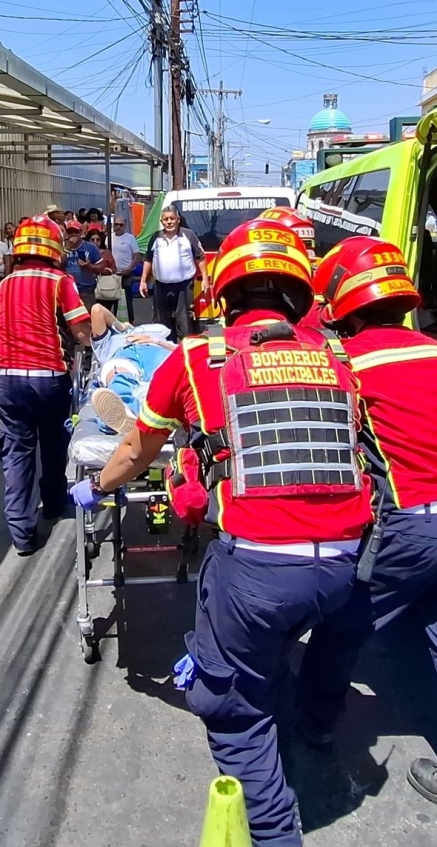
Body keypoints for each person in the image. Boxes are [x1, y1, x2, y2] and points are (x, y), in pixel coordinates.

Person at [71, 218, 374, 846]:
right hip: (344, 566)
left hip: (259, 571)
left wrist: (98, 487)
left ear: (221, 291)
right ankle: (301, 726)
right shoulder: (340, 356)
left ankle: (272, 831)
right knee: (279, 655)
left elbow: (133, 448)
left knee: (230, 707)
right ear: (298, 290)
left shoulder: (198, 357)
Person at [295, 236, 437, 836]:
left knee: (341, 626)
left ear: (341, 303)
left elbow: (334, 448)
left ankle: (312, 727)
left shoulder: (346, 364)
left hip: (409, 526)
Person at [0, 216, 91, 555]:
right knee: (54, 444)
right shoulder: (59, 281)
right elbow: (81, 331)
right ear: (54, 248)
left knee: (16, 451)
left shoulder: (4, 283)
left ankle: (22, 534)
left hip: (8, 379)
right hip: (50, 378)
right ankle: (53, 504)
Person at [88, 304, 175, 434]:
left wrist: (156, 341)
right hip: (125, 356)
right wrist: (121, 327)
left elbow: (186, 349)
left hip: (155, 350)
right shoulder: (107, 342)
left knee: (177, 370)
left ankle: (141, 414)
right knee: (118, 374)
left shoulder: (158, 338)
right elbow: (97, 310)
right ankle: (124, 411)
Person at [140, 205, 209, 341]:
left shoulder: (188, 235)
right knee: (161, 324)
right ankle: (166, 352)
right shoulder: (155, 237)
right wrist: (143, 280)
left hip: (183, 287)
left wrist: (205, 279)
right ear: (161, 221)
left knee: (184, 323)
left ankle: (185, 354)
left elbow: (200, 258)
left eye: (172, 218)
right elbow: (148, 260)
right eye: (166, 219)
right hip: (161, 286)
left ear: (178, 220)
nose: (169, 222)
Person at [63, 220, 104, 310]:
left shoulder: (90, 247)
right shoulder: (62, 247)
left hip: (86, 289)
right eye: (70, 232)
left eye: (76, 232)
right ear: (66, 233)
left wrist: (90, 266)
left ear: (81, 232)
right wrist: (67, 249)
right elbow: (57, 264)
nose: (73, 234)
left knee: (88, 318)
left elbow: (101, 266)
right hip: (67, 290)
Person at [111, 216, 141, 323]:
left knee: (127, 299)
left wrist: (130, 268)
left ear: (125, 226)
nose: (118, 227)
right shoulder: (109, 238)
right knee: (112, 298)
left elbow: (137, 255)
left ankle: (130, 322)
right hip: (112, 274)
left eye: (121, 225)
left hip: (126, 274)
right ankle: (113, 322)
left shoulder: (130, 238)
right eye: (116, 224)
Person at [86, 229, 119, 314]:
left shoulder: (106, 252)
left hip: (104, 287)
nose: (95, 242)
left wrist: (102, 270)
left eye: (98, 240)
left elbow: (114, 269)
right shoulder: (84, 252)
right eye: (92, 240)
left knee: (104, 313)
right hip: (87, 288)